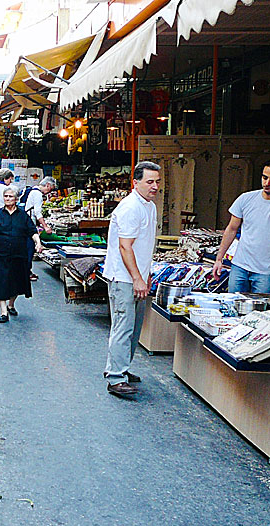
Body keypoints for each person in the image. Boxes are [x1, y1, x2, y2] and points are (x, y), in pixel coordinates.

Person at [103, 161, 160, 397]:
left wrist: (145, 276)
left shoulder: (149, 206)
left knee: (134, 328)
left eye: (157, 181)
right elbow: (125, 247)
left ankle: (121, 368)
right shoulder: (130, 208)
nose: (155, 186)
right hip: (123, 277)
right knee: (123, 327)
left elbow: (144, 246)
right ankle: (116, 377)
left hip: (137, 276)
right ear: (135, 182)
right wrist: (137, 278)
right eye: (149, 182)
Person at [213, 158, 270, 293]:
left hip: (267, 271)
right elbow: (231, 229)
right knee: (231, 307)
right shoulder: (245, 198)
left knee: (260, 312)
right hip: (239, 266)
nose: (267, 183)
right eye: (264, 178)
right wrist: (219, 259)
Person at [0, 186, 42, 323]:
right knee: (0, 282)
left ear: (16, 199)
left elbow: (32, 231)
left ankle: (11, 304)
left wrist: (38, 243)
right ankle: (3, 312)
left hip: (19, 254)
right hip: (1, 254)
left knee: (17, 282)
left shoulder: (23, 216)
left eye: (10, 196)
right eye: (5, 196)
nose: (7, 199)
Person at [23, 176, 56, 280]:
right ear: (48, 185)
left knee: (29, 248)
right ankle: (26, 272)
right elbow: (38, 213)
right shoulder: (38, 194)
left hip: (28, 222)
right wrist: (45, 227)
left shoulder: (34, 191)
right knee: (30, 248)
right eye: (51, 189)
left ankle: (27, 270)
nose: (49, 191)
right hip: (30, 224)